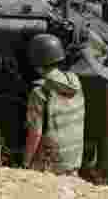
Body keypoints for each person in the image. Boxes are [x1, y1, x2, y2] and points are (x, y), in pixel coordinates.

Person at [23, 34, 85, 176]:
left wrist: (26, 164)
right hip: (74, 161)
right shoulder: (74, 81)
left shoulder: (40, 92)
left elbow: (35, 134)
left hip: (51, 166)